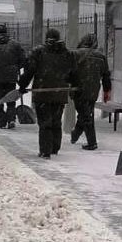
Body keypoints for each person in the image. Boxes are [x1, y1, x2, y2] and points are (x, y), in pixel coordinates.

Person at [18, 28, 77, 158]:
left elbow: (29, 71)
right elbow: (73, 73)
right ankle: (55, 148)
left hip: (42, 93)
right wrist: (72, 85)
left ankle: (45, 150)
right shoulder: (66, 53)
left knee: (45, 123)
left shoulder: (38, 52)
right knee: (56, 121)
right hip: (59, 94)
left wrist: (22, 85)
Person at [70, 33, 112, 151]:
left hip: (78, 89)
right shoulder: (101, 57)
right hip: (93, 90)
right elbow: (106, 75)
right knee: (86, 113)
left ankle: (91, 142)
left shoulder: (76, 54)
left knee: (85, 115)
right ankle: (76, 134)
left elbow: (69, 72)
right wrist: (106, 90)